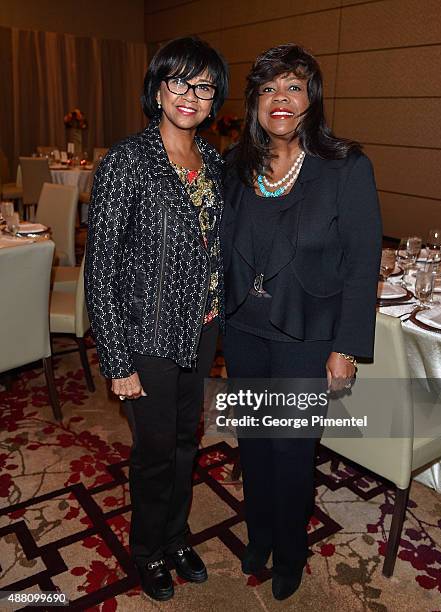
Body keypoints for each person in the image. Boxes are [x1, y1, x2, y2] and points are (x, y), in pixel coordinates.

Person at [221, 44, 382, 601]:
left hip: (306, 336)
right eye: (267, 89)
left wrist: (347, 347)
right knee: (253, 442)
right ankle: (259, 533)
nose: (280, 99)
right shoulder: (237, 166)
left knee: (291, 450)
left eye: (292, 86)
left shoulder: (346, 166)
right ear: (254, 104)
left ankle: (290, 548)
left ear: (312, 97)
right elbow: (217, 245)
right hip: (242, 329)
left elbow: (363, 266)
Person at [85, 36, 228, 602]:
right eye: (179, 81)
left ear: (214, 100)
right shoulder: (127, 160)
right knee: (153, 451)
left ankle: (174, 536)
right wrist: (117, 361)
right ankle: (146, 550)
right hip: (146, 336)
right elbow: (101, 272)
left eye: (204, 86)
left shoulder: (214, 161)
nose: (190, 95)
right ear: (158, 88)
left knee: (188, 443)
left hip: (202, 327)